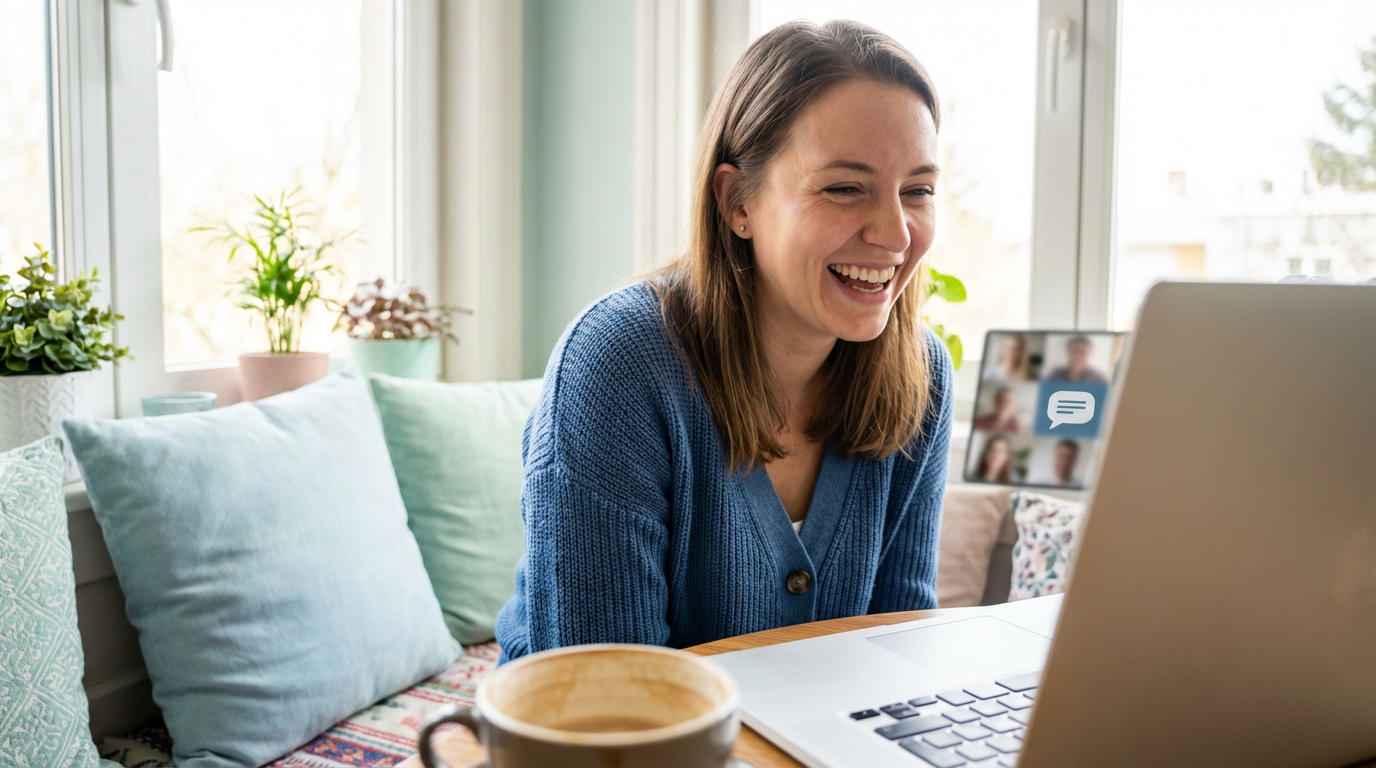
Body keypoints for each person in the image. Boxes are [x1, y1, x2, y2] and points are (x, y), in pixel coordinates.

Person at [494, 20, 953, 663]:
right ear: (738, 201)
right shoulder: (618, 365)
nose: (896, 233)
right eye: (845, 188)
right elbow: (603, 698)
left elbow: (899, 652)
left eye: (918, 191)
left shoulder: (921, 376)